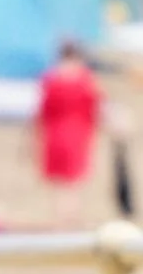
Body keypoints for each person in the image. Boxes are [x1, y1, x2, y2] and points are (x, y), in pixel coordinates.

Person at [34, 40, 103, 229]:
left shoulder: (51, 78)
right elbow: (95, 106)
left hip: (54, 131)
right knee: (74, 179)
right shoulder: (85, 79)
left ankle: (61, 217)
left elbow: (43, 110)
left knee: (59, 180)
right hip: (78, 131)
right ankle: (71, 217)